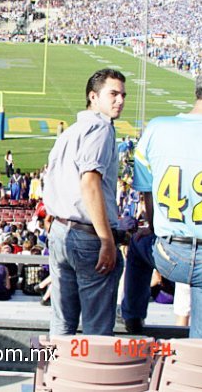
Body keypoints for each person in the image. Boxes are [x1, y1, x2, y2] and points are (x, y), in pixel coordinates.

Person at [122, 64, 202, 339]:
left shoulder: (158, 128)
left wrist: (153, 226)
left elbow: (146, 190)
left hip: (169, 254)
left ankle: (133, 316)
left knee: (139, 245)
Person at [43, 69, 126, 336]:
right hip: (87, 236)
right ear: (93, 96)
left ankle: (54, 376)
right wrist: (106, 239)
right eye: (112, 94)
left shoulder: (72, 130)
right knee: (97, 329)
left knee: (61, 324)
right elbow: (90, 183)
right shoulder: (100, 128)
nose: (120, 100)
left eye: (123, 95)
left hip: (60, 230)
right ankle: (92, 378)